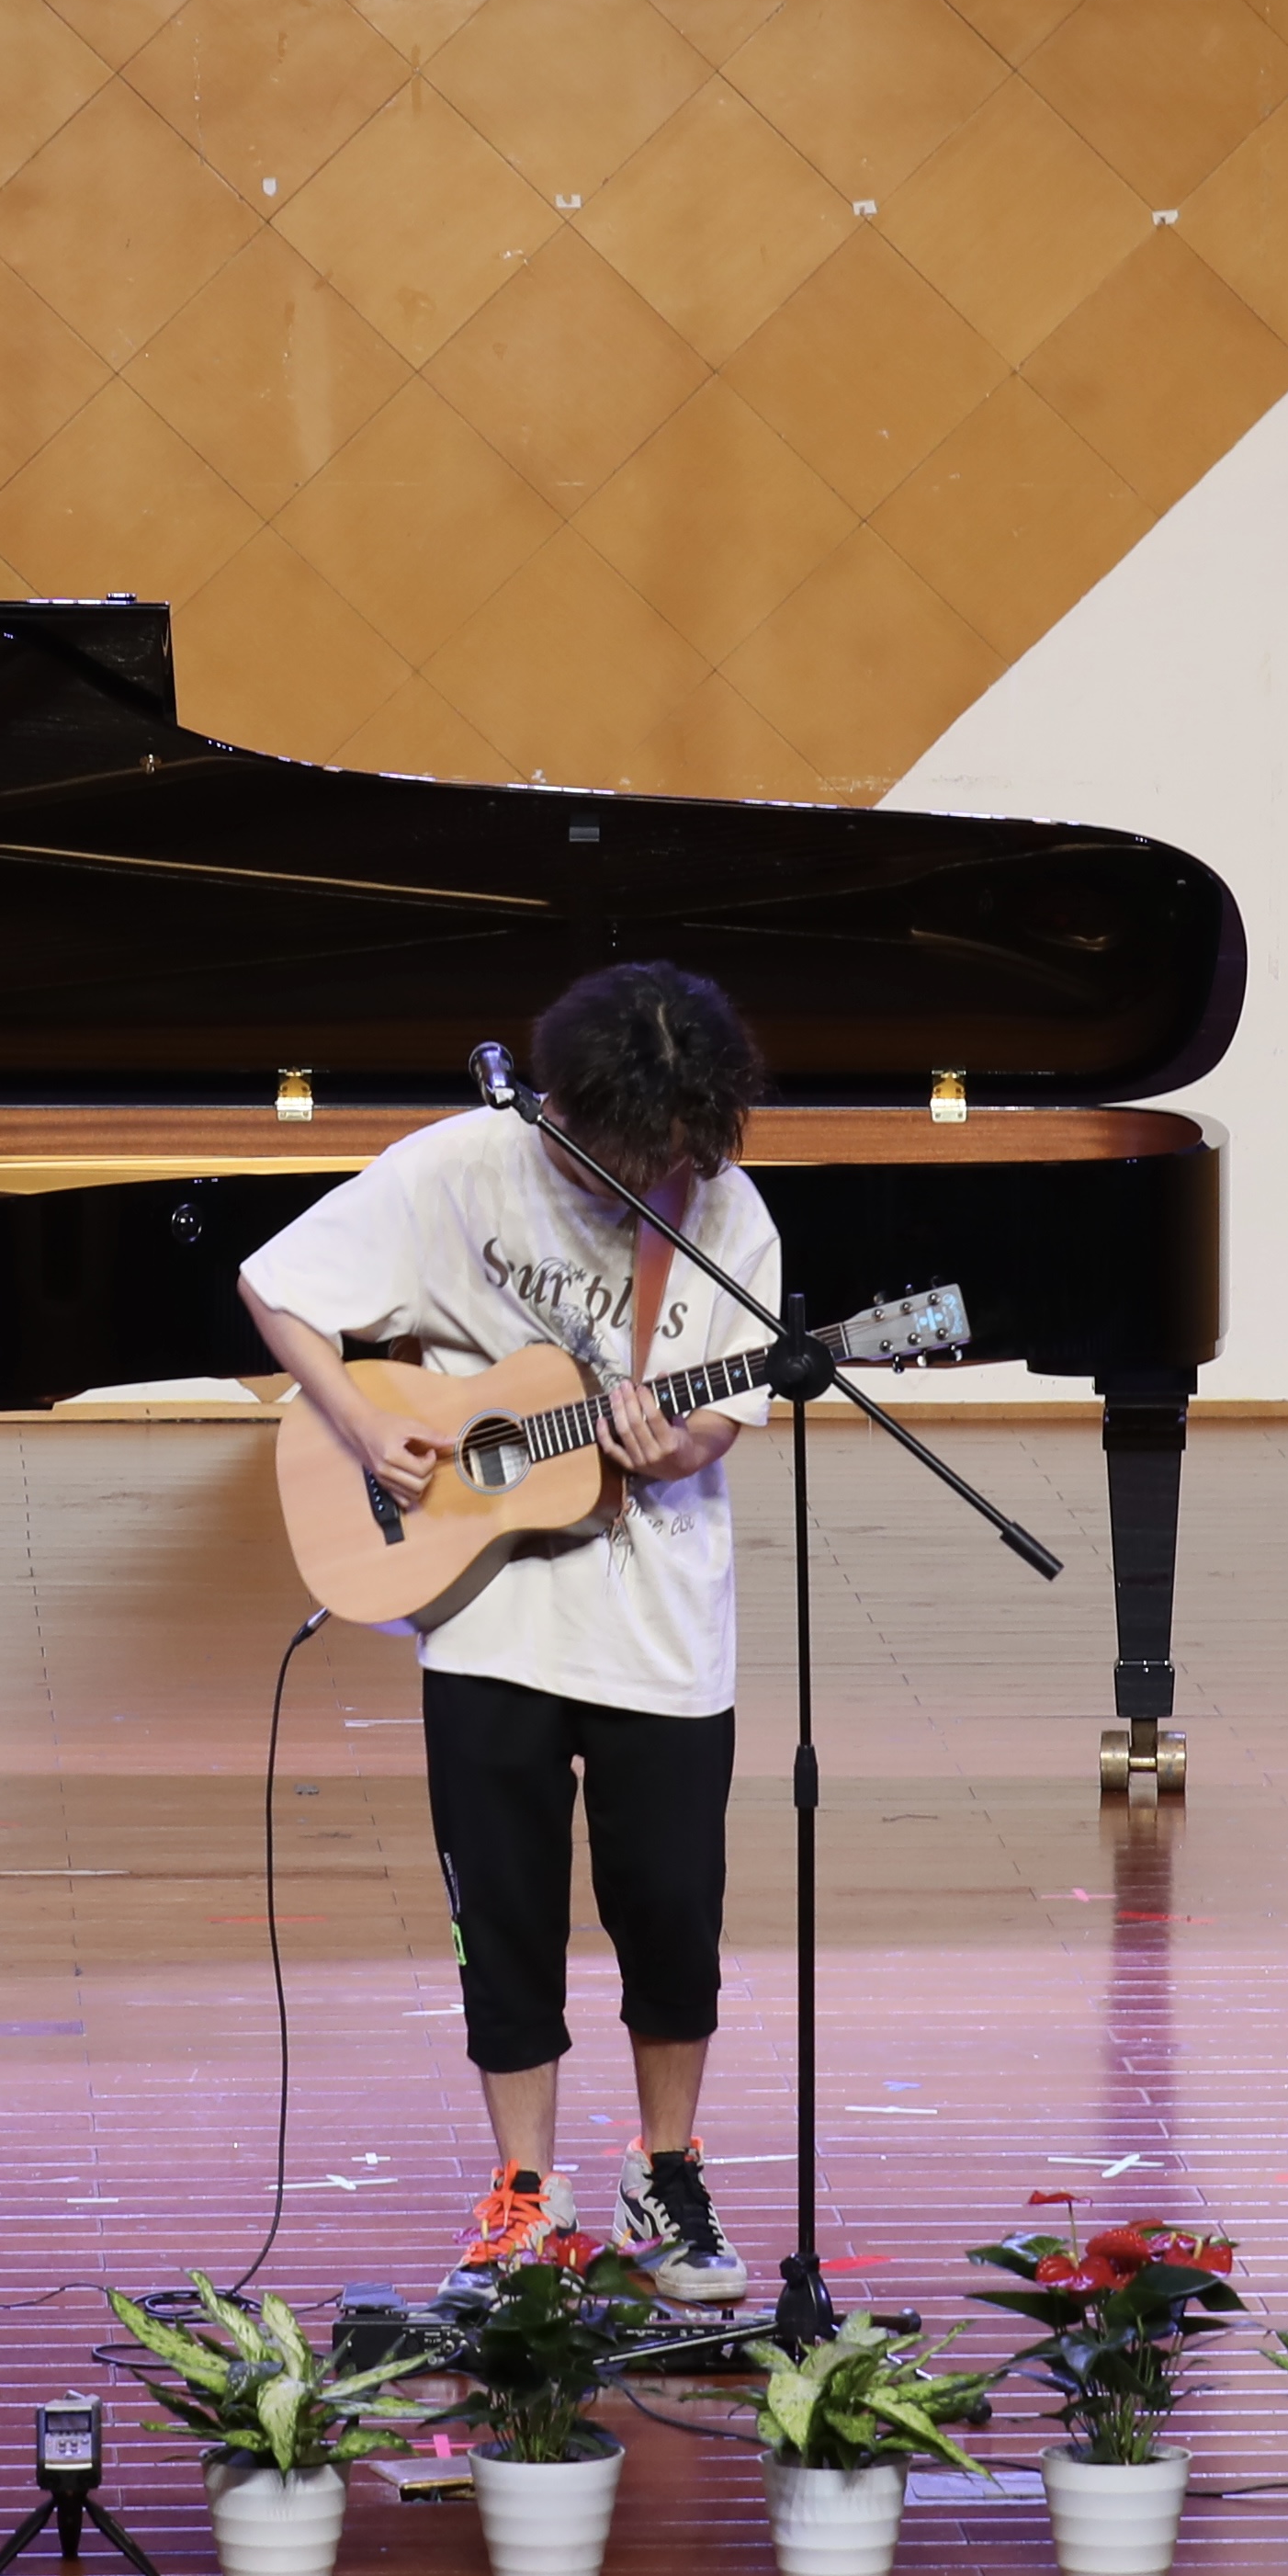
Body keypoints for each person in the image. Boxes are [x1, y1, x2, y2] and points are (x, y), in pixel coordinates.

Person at [238, 958, 775, 2302]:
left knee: (673, 1915)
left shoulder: (724, 1209)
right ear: (569, 1110)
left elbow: (721, 1419)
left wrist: (677, 1444)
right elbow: (276, 1285)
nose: (648, 1173)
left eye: (672, 1151)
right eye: (627, 1150)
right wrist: (365, 1424)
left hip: (661, 1627)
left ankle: (666, 2171)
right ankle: (525, 2191)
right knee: (506, 1919)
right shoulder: (460, 1167)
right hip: (487, 1623)